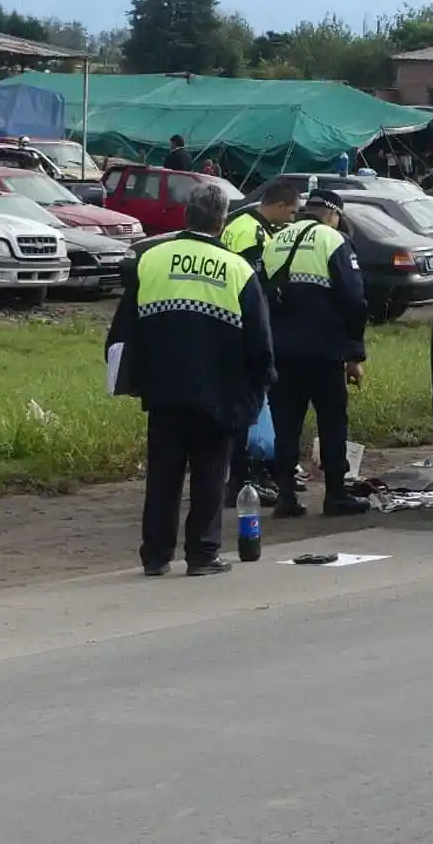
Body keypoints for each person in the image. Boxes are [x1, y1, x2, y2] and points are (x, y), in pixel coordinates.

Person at [105, 183, 275, 577]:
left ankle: (156, 555)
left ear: (186, 215)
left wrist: (130, 379)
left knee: (163, 475)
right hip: (219, 391)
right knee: (210, 475)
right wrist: (262, 383)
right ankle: (202, 554)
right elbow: (259, 338)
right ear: (221, 220)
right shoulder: (237, 269)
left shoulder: (150, 259)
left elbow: (122, 330)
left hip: (163, 390)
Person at [261, 189, 371, 517]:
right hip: (324, 352)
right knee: (332, 422)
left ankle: (286, 498)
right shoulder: (333, 240)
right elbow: (354, 299)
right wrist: (355, 354)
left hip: (282, 352)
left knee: (286, 424)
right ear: (334, 214)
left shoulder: (276, 240)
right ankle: (336, 495)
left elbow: (262, 297)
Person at [219, 181, 302, 507]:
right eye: (292, 211)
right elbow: (255, 286)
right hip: (243, 327)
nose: (293, 219)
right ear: (280, 205)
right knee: (250, 408)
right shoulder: (252, 233)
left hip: (227, 324)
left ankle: (244, 475)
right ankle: (244, 479)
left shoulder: (240, 224)